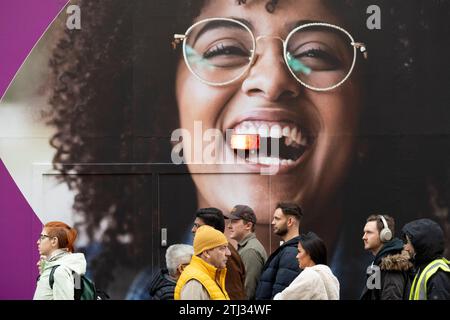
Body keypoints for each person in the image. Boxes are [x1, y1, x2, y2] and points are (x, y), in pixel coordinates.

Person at [42, 0, 450, 298]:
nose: (271, 80)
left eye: (315, 53)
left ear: (369, 116)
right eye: (225, 49)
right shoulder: (76, 281)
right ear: (167, 107)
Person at [192, 207, 247, 299]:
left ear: (211, 229)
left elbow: (234, 293)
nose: (193, 230)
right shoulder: (214, 251)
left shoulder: (224, 255)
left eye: (198, 226)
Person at [255, 202, 302, 299]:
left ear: (289, 221)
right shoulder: (287, 250)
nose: (272, 222)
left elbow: (281, 293)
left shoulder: (291, 253)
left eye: (277, 218)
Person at [360, 215, 413, 300]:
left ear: (385, 235)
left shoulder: (392, 265)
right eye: (364, 232)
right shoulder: (377, 264)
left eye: (369, 232)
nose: (364, 237)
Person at [274, 232, 339, 300]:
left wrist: (277, 297)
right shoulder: (331, 277)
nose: (297, 256)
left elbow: (283, 298)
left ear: (309, 253)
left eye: (299, 251)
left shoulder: (309, 276)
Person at [175, 225, 231, 300]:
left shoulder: (210, 275)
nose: (228, 253)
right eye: (222, 248)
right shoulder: (194, 283)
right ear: (206, 253)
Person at [33, 221, 86, 300]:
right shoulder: (63, 267)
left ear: (54, 241)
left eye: (42, 237)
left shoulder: (60, 271)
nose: (38, 242)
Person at [402, 218, 450, 300]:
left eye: (408, 243)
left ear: (421, 245)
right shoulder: (423, 268)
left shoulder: (437, 275)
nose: (405, 247)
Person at [227, 204, 268, 299]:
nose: (229, 226)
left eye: (234, 221)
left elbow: (247, 292)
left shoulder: (250, 251)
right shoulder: (246, 248)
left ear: (248, 225)